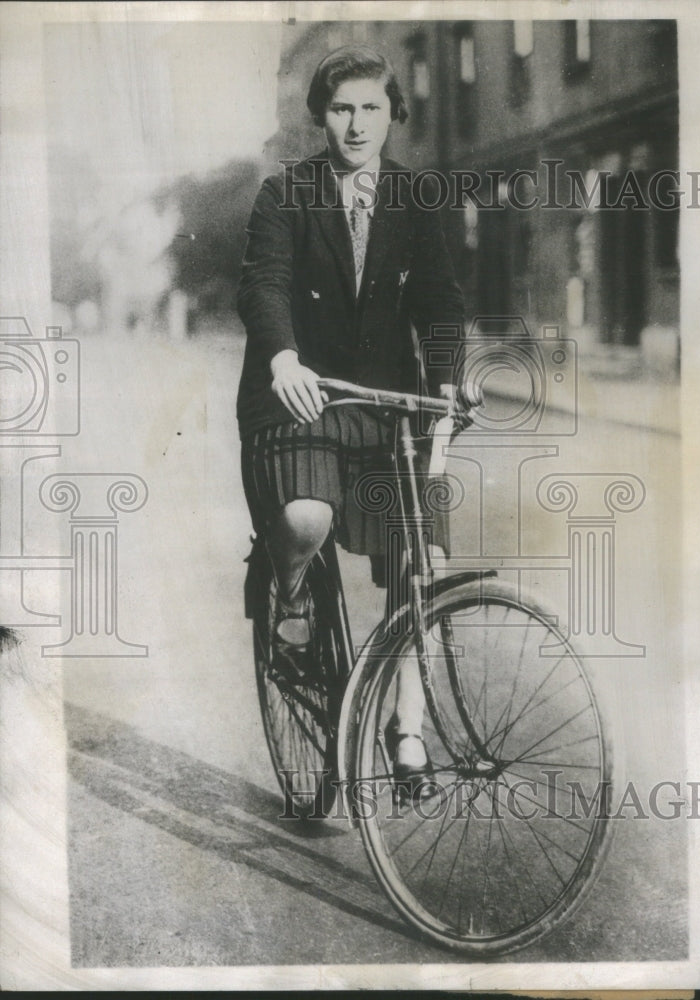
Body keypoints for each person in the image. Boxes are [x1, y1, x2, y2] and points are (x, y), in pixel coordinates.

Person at [237, 45, 464, 781]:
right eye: (341, 109)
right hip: (297, 397)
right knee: (306, 517)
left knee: (419, 557)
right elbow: (264, 285)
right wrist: (281, 358)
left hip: (380, 403)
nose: (356, 125)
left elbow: (437, 304)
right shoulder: (286, 195)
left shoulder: (415, 198)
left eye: (370, 107)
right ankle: (289, 594)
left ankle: (407, 735)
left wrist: (449, 388)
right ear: (319, 118)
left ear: (392, 114)